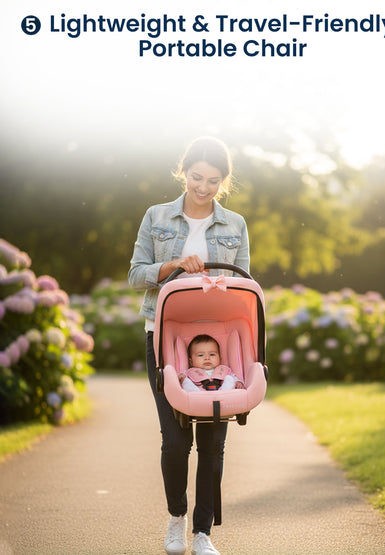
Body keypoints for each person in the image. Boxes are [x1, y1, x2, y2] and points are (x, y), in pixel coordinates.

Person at [128, 136, 249, 555]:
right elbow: (136, 274)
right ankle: (176, 519)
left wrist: (220, 282)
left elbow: (243, 284)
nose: (203, 187)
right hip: (162, 336)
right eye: (196, 177)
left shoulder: (235, 225)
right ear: (183, 172)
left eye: (213, 181)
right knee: (175, 440)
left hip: (217, 344)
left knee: (214, 441)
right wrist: (175, 264)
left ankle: (203, 534)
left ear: (224, 181)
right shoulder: (157, 216)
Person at [179, 334, 245, 392]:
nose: (207, 358)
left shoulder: (224, 370)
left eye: (212, 354)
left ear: (220, 358)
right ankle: (193, 391)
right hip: (198, 394)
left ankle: (224, 392)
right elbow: (180, 377)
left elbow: (234, 377)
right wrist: (182, 377)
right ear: (191, 361)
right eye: (200, 355)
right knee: (186, 382)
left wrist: (238, 382)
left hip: (222, 392)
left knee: (229, 378)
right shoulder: (189, 372)